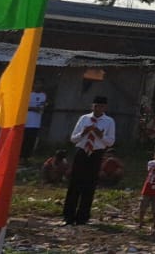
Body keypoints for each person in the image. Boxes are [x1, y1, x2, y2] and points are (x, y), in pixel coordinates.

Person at [63, 95, 116, 225]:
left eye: (101, 106)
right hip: (82, 152)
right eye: (96, 106)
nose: (98, 109)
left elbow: (110, 141)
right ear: (92, 106)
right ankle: (68, 215)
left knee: (89, 185)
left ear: (105, 107)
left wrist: (100, 134)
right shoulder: (84, 118)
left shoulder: (109, 121)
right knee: (75, 184)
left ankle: (83, 217)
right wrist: (83, 133)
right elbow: (73, 139)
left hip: (96, 153)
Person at [24, 82, 48, 158]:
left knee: (31, 141)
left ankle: (27, 157)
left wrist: (43, 107)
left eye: (40, 84)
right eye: (37, 84)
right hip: (27, 122)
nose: (39, 86)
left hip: (36, 123)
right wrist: (33, 108)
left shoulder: (43, 95)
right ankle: (20, 157)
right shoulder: (29, 94)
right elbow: (23, 106)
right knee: (24, 140)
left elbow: (43, 105)